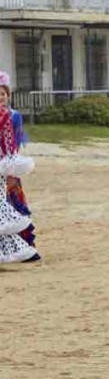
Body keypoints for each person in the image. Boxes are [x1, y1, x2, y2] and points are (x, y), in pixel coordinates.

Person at [0, 72, 40, 260]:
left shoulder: (14, 116)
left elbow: (16, 141)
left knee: (13, 205)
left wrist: (10, 163)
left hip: (9, 167)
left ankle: (23, 246)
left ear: (8, 96)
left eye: (3, 93)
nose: (0, 97)